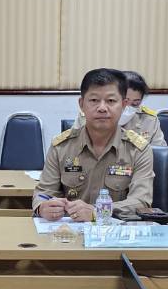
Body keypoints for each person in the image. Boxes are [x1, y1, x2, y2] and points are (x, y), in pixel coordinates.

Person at [35, 68, 154, 221]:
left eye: (111, 101)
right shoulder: (61, 146)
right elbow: (43, 193)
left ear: (124, 105)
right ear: (81, 104)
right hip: (68, 230)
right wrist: (42, 207)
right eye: (94, 100)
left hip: (117, 231)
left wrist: (98, 212)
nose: (102, 108)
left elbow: (140, 202)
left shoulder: (138, 150)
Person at [73, 70, 166, 146]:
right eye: (125, 101)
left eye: (135, 104)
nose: (127, 107)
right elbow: (73, 148)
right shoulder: (90, 115)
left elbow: (160, 153)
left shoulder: (149, 120)